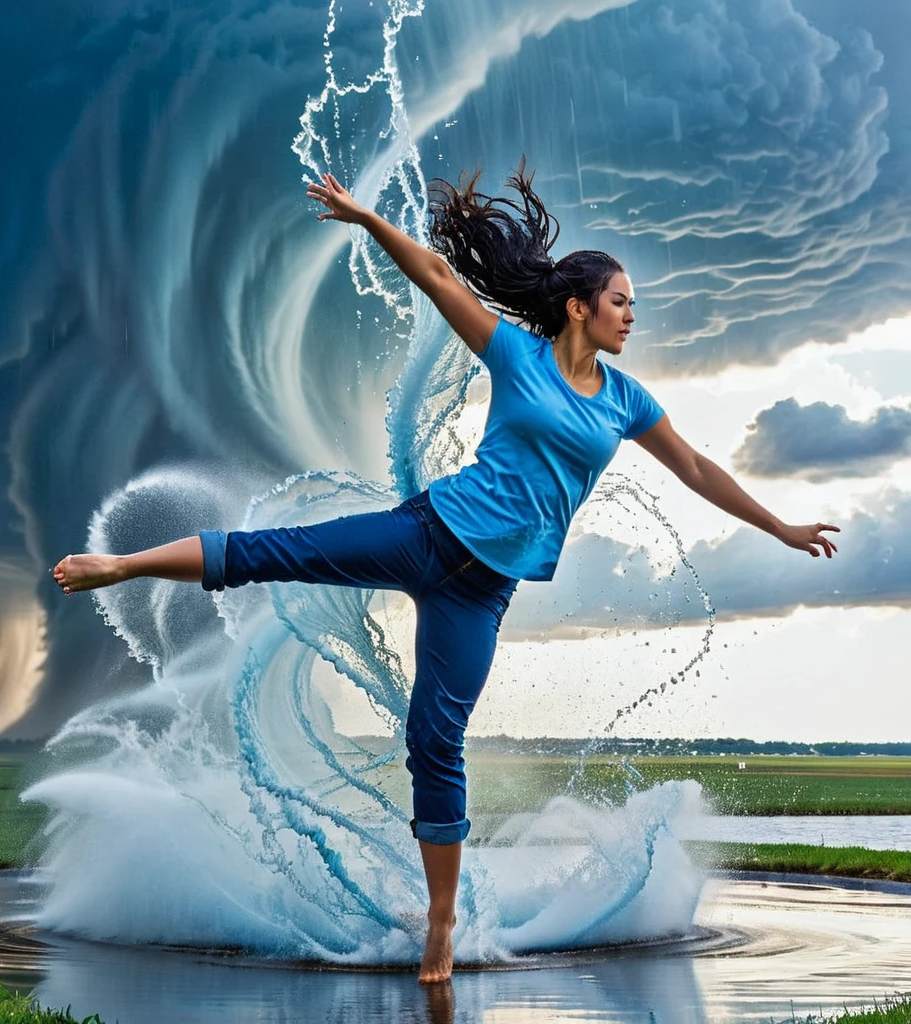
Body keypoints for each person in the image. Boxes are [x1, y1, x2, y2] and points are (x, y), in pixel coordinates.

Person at [51, 164, 839, 984]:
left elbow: (700, 470)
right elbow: (435, 275)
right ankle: (123, 563)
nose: (631, 315)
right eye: (620, 301)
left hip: (480, 592)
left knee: (435, 741)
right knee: (275, 550)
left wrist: (778, 527)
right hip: (426, 534)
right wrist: (367, 221)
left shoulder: (626, 401)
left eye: (633, 304)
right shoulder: (518, 356)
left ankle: (439, 923)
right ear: (579, 306)